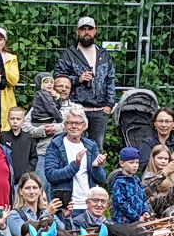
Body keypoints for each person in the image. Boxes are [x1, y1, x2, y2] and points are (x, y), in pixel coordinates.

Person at [53, 15, 116, 148]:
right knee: (73, 146)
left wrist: (110, 104)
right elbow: (58, 78)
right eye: (83, 29)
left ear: (95, 31)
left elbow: (110, 79)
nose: (86, 32)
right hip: (76, 109)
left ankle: (95, 169)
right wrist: (77, 79)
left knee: (96, 149)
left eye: (89, 29)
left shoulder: (104, 54)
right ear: (77, 32)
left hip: (100, 110)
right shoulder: (69, 54)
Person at [42, 108, 101, 207]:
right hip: (66, 206)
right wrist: (75, 165)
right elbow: (51, 175)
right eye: (70, 123)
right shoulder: (55, 145)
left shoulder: (91, 146)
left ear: (84, 126)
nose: (74, 126)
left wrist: (96, 167)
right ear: (65, 125)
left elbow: (101, 179)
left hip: (89, 206)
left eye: (77, 123)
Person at [109, 149, 148, 222]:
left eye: (137, 163)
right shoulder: (119, 182)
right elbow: (120, 204)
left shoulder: (136, 180)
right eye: (131, 162)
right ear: (122, 163)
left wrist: (145, 211)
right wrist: (136, 217)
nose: (135, 165)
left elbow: (143, 198)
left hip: (139, 220)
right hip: (124, 222)